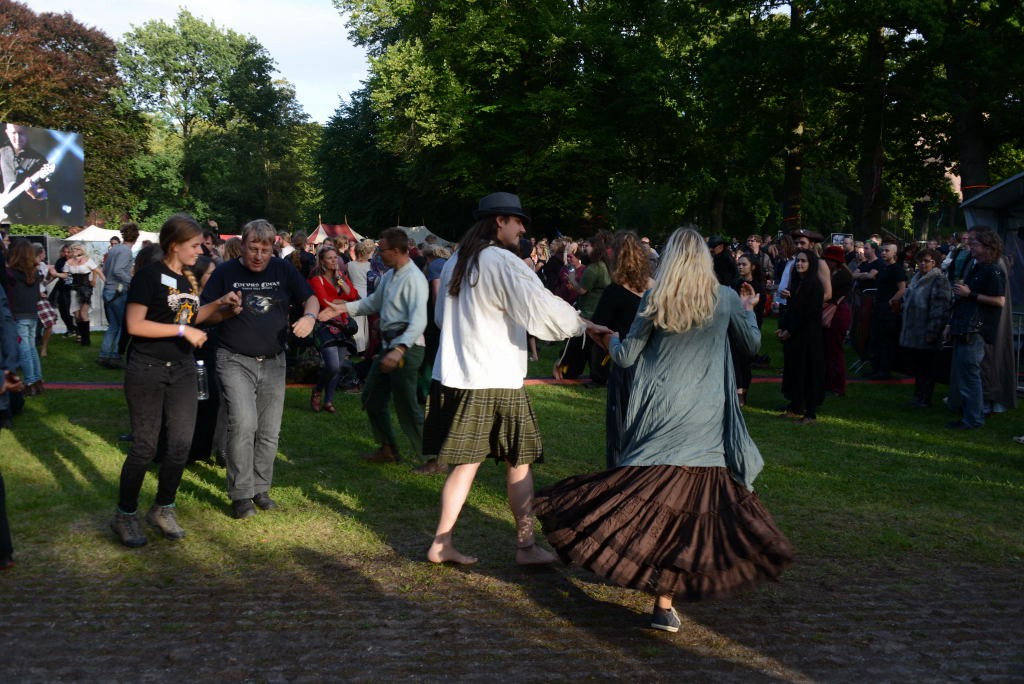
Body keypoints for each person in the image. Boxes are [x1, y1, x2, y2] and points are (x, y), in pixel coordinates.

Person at [534, 227, 792, 633]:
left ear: (670, 259)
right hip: (706, 416)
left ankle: (649, 586)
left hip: (660, 411)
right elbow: (753, 345)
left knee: (652, 495)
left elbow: (626, 357)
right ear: (705, 260)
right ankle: (662, 600)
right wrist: (747, 307)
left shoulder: (658, 298)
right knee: (685, 504)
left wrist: (610, 339)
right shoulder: (724, 298)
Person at [424, 192, 602, 566]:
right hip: (495, 376)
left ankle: (443, 543)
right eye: (517, 220)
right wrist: (581, 324)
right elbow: (540, 307)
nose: (522, 228)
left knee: (467, 465)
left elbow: (441, 318)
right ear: (498, 222)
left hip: (462, 375)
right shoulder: (501, 261)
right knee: (519, 462)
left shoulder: (457, 259)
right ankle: (524, 547)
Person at [108, 214, 242, 547]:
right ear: (175, 245)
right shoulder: (149, 277)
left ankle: (163, 508)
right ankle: (125, 515)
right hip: (147, 369)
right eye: (195, 245)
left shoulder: (189, 278)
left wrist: (222, 307)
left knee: (181, 445)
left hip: (182, 369)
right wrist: (184, 330)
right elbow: (137, 325)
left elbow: (191, 315)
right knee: (144, 447)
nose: (201, 250)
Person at [201, 219, 319, 519]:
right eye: (253, 249)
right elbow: (204, 316)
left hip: (274, 361)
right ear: (242, 246)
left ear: (273, 248)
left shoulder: (283, 269)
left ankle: (260, 488)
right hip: (234, 359)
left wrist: (309, 317)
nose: (258, 256)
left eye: (264, 250)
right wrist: (223, 308)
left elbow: (311, 298)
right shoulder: (226, 272)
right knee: (243, 424)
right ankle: (241, 495)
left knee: (269, 431)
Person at [323, 228, 428, 465]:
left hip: (407, 349)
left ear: (398, 251)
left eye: (382, 250)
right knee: (372, 395)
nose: (378, 254)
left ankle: (431, 457)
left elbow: (419, 320)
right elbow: (373, 302)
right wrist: (342, 308)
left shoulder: (414, 278)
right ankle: (388, 448)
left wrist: (400, 349)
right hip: (390, 347)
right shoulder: (391, 275)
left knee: (406, 404)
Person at [591, 231, 652, 467]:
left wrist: (610, 347)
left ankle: (619, 481)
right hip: (654, 365)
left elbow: (597, 328)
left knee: (620, 428)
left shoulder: (614, 292)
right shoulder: (655, 289)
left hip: (627, 363)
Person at [944, 230, 1006, 430]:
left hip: (976, 330)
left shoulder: (993, 271)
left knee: (970, 374)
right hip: (964, 326)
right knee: (965, 374)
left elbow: (999, 301)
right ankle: (970, 416)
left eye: (976, 244)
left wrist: (970, 294)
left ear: (988, 248)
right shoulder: (975, 267)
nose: (971, 247)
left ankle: (973, 419)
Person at [308, 245, 360, 414]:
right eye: (330, 258)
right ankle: (317, 391)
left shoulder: (341, 277)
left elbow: (352, 295)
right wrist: (344, 303)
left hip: (342, 324)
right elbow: (324, 302)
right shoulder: (317, 279)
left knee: (339, 364)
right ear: (322, 261)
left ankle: (328, 401)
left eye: (335, 257)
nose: (334, 260)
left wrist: (339, 279)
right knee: (333, 366)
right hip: (325, 324)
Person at [777, 249, 825, 424]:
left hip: (808, 337)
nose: (799, 264)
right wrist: (783, 327)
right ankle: (796, 405)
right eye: (797, 261)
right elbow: (793, 310)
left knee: (808, 372)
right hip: (796, 336)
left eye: (803, 261)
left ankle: (810, 413)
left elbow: (809, 314)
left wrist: (790, 331)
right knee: (795, 370)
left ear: (811, 263)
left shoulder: (814, 285)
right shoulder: (798, 282)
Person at [899, 248, 950, 408]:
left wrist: (933, 332)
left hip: (927, 330)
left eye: (926, 261)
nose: (922, 263)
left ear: (934, 263)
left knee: (927, 367)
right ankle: (918, 396)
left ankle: (925, 398)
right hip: (914, 330)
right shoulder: (916, 277)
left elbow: (939, 309)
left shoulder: (939, 280)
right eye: (920, 260)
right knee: (918, 366)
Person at [97, 222, 139, 369]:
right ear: (136, 237)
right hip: (117, 291)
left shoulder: (114, 249)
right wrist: (133, 281)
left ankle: (104, 354)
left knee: (113, 325)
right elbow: (118, 271)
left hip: (108, 289)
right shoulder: (126, 252)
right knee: (123, 325)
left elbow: (108, 268)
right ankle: (115, 355)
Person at [6, 239, 43, 396]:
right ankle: (36, 380)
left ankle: (29, 381)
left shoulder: (12, 274)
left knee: (25, 350)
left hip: (19, 314)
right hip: (32, 313)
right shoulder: (35, 272)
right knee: (31, 348)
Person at [730, 252, 767, 407]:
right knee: (735, 360)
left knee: (745, 361)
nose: (740, 267)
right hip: (734, 326)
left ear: (753, 266)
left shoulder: (758, 288)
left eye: (744, 264)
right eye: (739, 264)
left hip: (751, 325)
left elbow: (758, 311)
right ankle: (737, 392)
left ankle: (744, 392)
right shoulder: (735, 284)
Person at [867, 241, 907, 380]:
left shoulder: (897, 269)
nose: (883, 253)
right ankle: (876, 368)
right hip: (879, 307)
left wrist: (891, 301)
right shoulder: (884, 268)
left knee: (886, 341)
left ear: (894, 254)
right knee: (876, 338)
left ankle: (884, 370)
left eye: (887, 251)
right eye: (882, 250)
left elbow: (902, 289)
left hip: (888, 310)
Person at [821, 246, 853, 397]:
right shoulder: (837, 273)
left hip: (837, 313)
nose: (825, 261)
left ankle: (837, 387)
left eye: (828, 259)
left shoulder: (843, 275)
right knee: (828, 350)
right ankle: (829, 384)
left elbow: (828, 292)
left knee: (834, 351)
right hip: (835, 311)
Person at [1, 123, 49, 223]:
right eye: (13, 133)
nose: (17, 138)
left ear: (27, 133)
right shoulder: (2, 153)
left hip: (26, 218)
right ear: (7, 133)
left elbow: (45, 193)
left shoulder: (39, 159)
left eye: (21, 133)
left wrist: (35, 193)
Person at [65, 242, 103, 346]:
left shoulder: (88, 260)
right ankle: (80, 335)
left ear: (82, 250)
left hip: (85, 289)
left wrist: (95, 280)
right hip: (74, 289)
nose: (75, 251)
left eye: (78, 249)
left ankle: (86, 340)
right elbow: (66, 275)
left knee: (83, 314)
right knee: (76, 315)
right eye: (73, 249)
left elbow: (96, 270)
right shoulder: (69, 262)